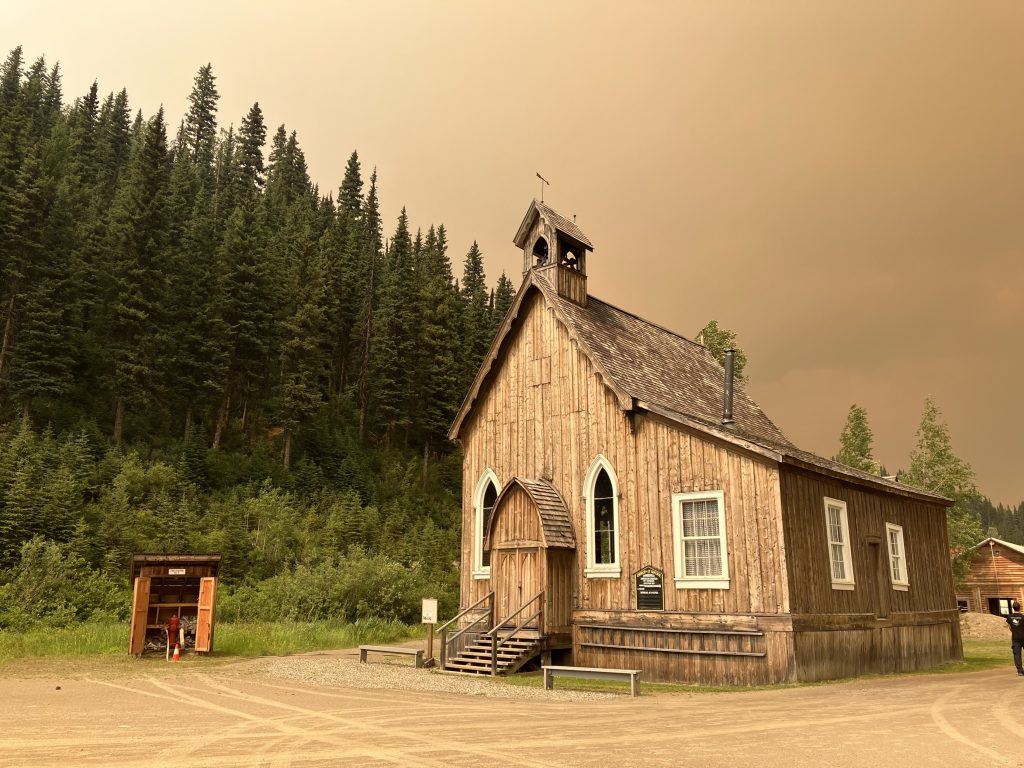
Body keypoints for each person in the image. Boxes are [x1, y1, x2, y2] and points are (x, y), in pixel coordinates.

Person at [1006, 600, 1024, 676]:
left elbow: (1010, 627)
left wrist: (1014, 630)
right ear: (1019, 608)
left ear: (1013, 608)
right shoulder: (1023, 617)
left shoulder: (1009, 617)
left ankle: (1019, 671)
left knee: (1017, 654)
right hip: (1023, 636)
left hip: (1015, 637)